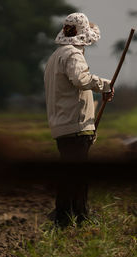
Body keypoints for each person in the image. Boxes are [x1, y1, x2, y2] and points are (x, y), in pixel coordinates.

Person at [44, 13, 114, 227]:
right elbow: (81, 79)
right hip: (75, 125)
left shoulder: (55, 56)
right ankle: (79, 218)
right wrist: (105, 84)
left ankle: (65, 217)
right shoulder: (73, 55)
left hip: (64, 126)